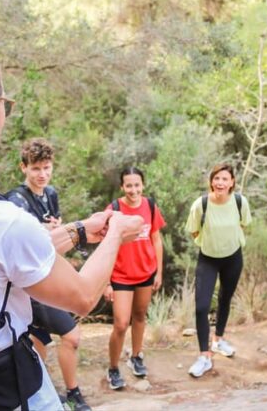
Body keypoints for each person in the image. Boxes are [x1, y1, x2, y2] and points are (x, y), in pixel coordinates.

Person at [0, 52, 144, 411]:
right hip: (6, 387)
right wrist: (115, 234)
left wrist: (79, 232)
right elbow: (82, 296)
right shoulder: (0, 219)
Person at [5, 138, 90, 411]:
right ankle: (73, 393)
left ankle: (45, 397)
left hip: (46, 274)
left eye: (47, 168)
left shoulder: (50, 193)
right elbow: (27, 244)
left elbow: (52, 235)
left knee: (39, 344)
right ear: (23, 168)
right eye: (36, 169)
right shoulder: (15, 199)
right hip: (28, 284)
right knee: (72, 335)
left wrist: (55, 229)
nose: (42, 174)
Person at [184, 164, 252, 378]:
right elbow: (193, 230)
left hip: (233, 258)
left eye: (225, 179)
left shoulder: (240, 202)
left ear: (232, 182)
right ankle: (205, 357)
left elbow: (243, 225)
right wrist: (209, 243)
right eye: (216, 179)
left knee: (225, 299)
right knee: (201, 307)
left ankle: (218, 340)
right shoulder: (200, 204)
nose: (220, 183)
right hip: (208, 260)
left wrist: (227, 241)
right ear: (211, 181)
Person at [103, 167, 165, 390]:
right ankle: (112, 368)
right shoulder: (115, 210)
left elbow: (156, 239)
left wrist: (159, 271)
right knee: (120, 323)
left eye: (137, 185)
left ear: (143, 185)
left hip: (146, 272)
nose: (133, 189)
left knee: (139, 315)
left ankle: (136, 356)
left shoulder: (149, 206)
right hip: (120, 275)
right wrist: (106, 282)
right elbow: (105, 246)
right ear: (122, 187)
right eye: (128, 185)